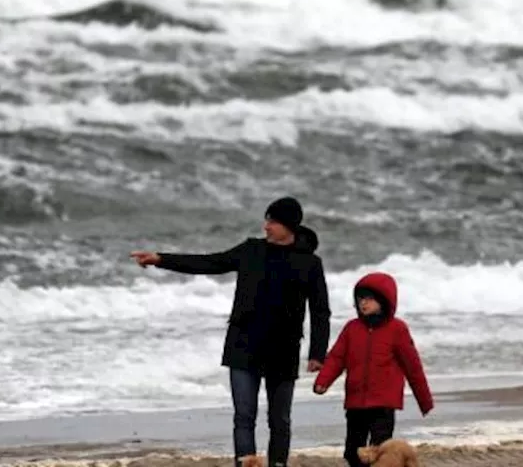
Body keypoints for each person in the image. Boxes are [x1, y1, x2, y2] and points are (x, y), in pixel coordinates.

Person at [130, 197, 331, 467]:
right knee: (244, 417)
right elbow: (210, 263)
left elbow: (320, 311)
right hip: (244, 345)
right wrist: (160, 259)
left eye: (272, 221)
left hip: (283, 350)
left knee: (279, 420)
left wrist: (318, 353)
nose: (266, 226)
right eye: (267, 220)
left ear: (289, 226)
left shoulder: (309, 263)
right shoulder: (251, 250)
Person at [312, 272, 433, 467]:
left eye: (369, 299)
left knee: (380, 452)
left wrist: (424, 400)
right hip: (356, 402)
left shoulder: (397, 329)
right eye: (360, 299)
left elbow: (413, 366)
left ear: (384, 301)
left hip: (383, 403)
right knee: (353, 452)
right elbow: (336, 357)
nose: (363, 303)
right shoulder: (352, 328)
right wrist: (322, 381)